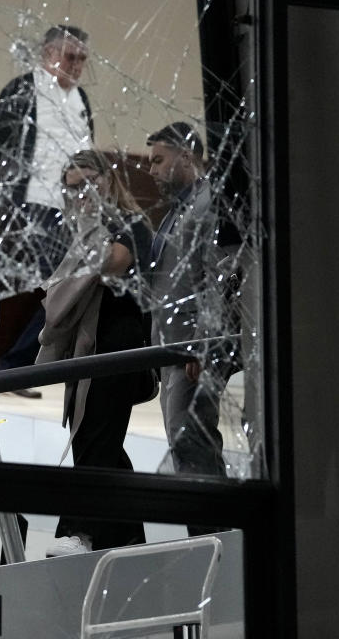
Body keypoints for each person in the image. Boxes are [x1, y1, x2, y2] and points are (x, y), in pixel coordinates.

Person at [36, 150, 153, 556]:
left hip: (117, 345)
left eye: (88, 183)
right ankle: (128, 536)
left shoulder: (132, 225)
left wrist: (74, 269)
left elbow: (110, 265)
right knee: (102, 442)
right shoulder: (80, 231)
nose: (81, 195)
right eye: (72, 188)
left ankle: (79, 531)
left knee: (96, 437)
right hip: (88, 348)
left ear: (107, 179)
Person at [0, 25, 95, 399]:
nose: (75, 65)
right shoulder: (21, 90)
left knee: (56, 291)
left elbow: (89, 157)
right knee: (7, 286)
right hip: (20, 204)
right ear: (47, 54)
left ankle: (13, 368)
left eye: (81, 59)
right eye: (69, 56)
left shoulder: (82, 100)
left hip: (65, 210)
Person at [146, 122, 229, 478]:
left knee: (192, 443)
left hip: (191, 349)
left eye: (158, 161)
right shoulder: (175, 211)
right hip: (171, 346)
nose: (152, 170)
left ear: (185, 157)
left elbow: (218, 279)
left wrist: (203, 344)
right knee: (186, 444)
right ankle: (218, 530)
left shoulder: (206, 206)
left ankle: (219, 530)